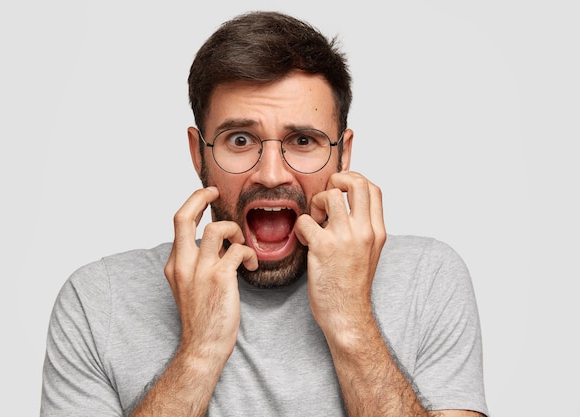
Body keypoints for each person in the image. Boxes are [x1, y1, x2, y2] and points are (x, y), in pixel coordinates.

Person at [41, 11, 488, 417]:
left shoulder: (428, 279)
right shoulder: (98, 300)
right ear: (199, 153)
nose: (271, 174)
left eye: (303, 141)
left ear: (343, 154)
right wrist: (200, 352)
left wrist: (352, 323)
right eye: (239, 140)